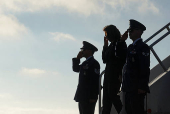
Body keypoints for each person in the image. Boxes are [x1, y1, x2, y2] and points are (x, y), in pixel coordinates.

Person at [121, 19, 150, 114]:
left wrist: (142, 86)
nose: (130, 33)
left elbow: (144, 67)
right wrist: (121, 41)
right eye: (129, 31)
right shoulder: (130, 47)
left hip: (137, 88)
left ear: (139, 31)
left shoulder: (143, 47)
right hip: (129, 87)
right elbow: (119, 55)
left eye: (131, 30)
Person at [102, 25, 127, 114]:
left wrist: (120, 74)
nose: (106, 36)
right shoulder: (111, 45)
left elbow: (122, 59)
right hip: (108, 74)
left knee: (113, 95)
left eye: (107, 33)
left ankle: (122, 112)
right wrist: (105, 46)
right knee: (106, 99)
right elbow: (104, 60)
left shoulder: (119, 43)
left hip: (115, 74)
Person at [72, 41, 100, 114]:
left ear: (89, 50)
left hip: (89, 96)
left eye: (84, 50)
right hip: (82, 95)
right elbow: (76, 69)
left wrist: (93, 96)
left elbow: (95, 80)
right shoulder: (85, 63)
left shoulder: (94, 63)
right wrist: (77, 59)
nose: (82, 51)